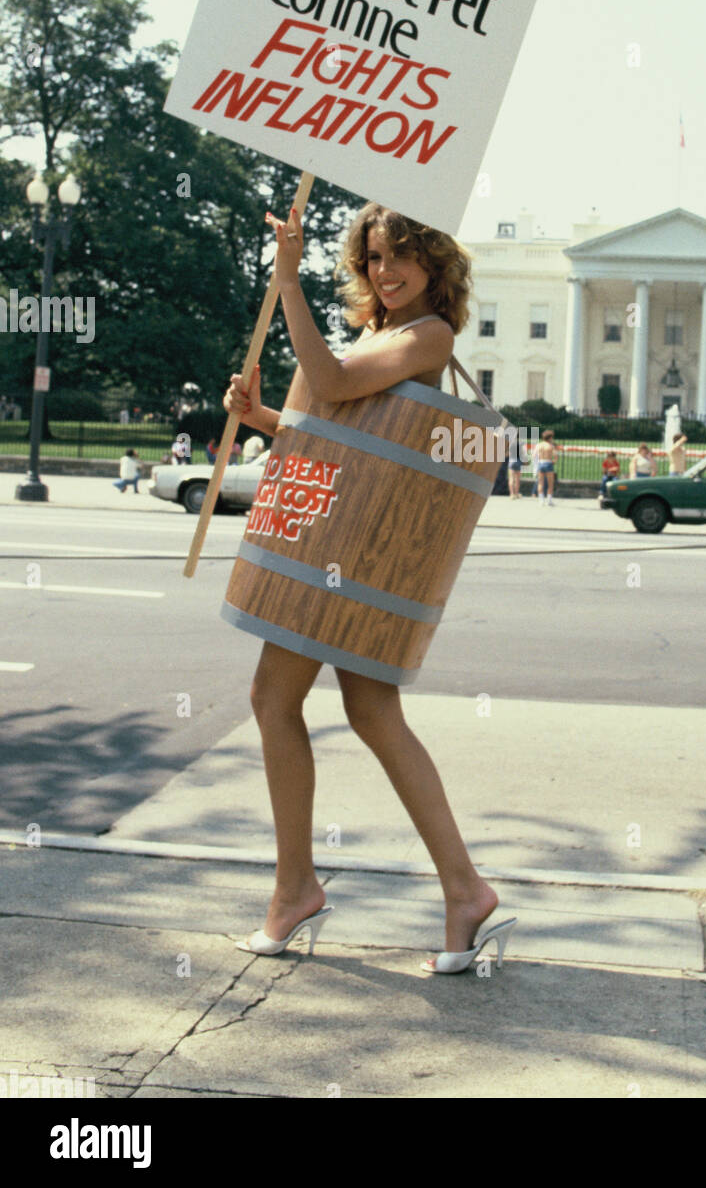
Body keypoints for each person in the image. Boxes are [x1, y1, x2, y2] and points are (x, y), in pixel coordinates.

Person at [223, 201, 513, 974]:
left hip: (356, 558)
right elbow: (341, 430)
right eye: (374, 257)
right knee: (367, 707)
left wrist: (288, 283)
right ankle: (460, 889)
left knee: (275, 700)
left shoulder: (429, 336)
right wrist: (264, 420)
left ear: (435, 263)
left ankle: (298, 888)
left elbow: (332, 380)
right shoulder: (381, 332)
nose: (385, 271)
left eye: (401, 256)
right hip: (345, 548)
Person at [533, 429, 557, 505]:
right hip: (548, 463)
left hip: (541, 463)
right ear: (550, 438)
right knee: (550, 483)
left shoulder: (539, 445)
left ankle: (541, 500)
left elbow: (534, 455)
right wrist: (553, 462)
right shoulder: (551, 446)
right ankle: (549, 500)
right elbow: (556, 457)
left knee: (540, 483)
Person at [506, 429, 523, 498]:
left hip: (511, 461)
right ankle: (516, 493)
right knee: (517, 479)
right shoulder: (521, 443)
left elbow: (508, 454)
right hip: (518, 461)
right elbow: (522, 454)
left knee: (511, 478)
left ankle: (512, 494)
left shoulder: (510, 443)